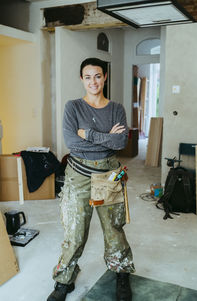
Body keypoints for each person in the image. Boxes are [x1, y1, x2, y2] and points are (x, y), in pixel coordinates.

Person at [47, 58, 135, 301]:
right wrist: (105, 137)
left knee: (113, 229)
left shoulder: (116, 108)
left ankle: (121, 273)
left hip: (109, 174)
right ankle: (64, 280)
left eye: (97, 76)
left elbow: (120, 143)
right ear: (81, 79)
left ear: (105, 77)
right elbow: (72, 142)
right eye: (88, 77)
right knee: (74, 231)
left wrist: (89, 134)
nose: (93, 81)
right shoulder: (73, 107)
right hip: (78, 175)